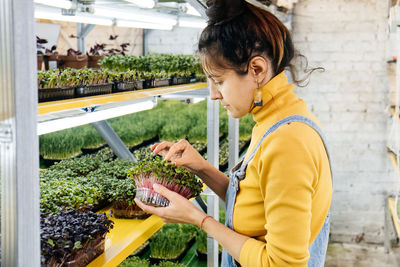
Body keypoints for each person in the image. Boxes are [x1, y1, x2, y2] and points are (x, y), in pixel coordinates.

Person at [134, 0, 332, 266]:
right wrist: (202, 168)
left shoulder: (288, 142)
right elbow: (256, 205)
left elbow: (282, 263)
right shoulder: (276, 119)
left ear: (257, 70)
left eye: (219, 81)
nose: (214, 95)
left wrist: (198, 219)